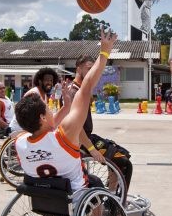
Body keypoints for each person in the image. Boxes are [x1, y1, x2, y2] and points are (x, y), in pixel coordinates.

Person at [14, 28, 117, 204]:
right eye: (47, 109)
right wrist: (105, 52)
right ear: (42, 118)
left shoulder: (19, 142)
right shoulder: (65, 136)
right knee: (96, 184)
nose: (50, 110)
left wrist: (67, 105)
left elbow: (48, 127)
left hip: (44, 200)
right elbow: (87, 85)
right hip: (72, 200)